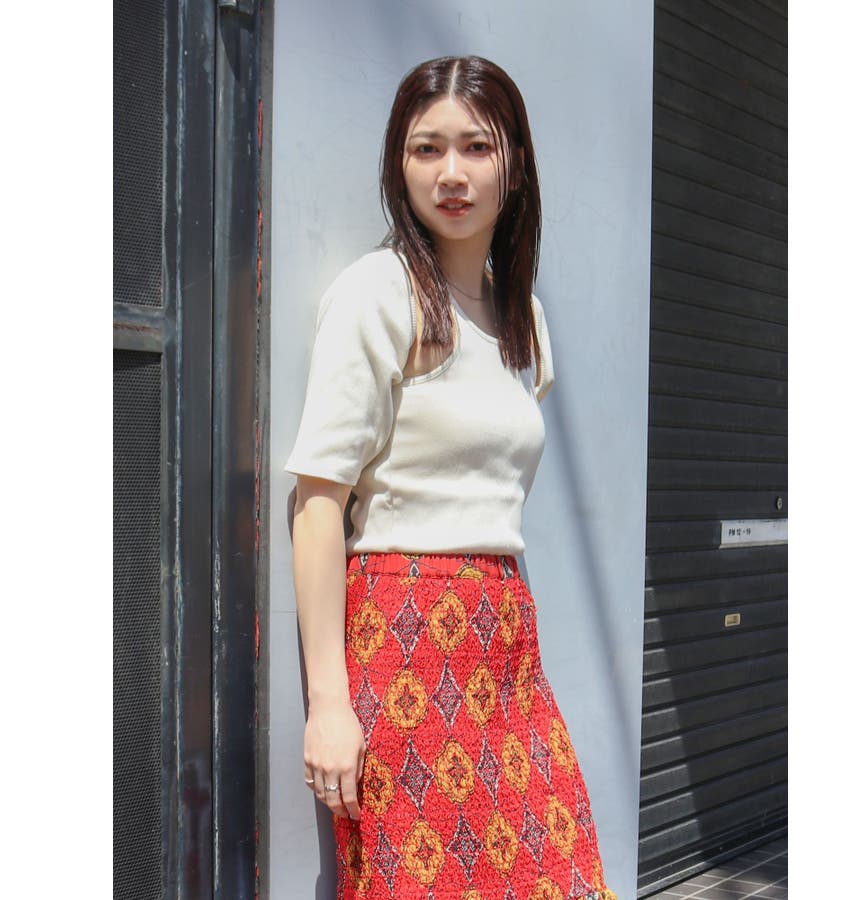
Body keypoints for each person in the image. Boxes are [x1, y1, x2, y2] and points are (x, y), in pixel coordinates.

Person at [286, 55, 617, 900]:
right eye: (426, 149)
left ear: (516, 164)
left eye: (476, 147)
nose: (452, 173)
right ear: (399, 166)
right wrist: (328, 703)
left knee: (552, 871)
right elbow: (318, 502)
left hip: (505, 637)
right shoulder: (378, 293)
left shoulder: (522, 318)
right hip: (406, 636)